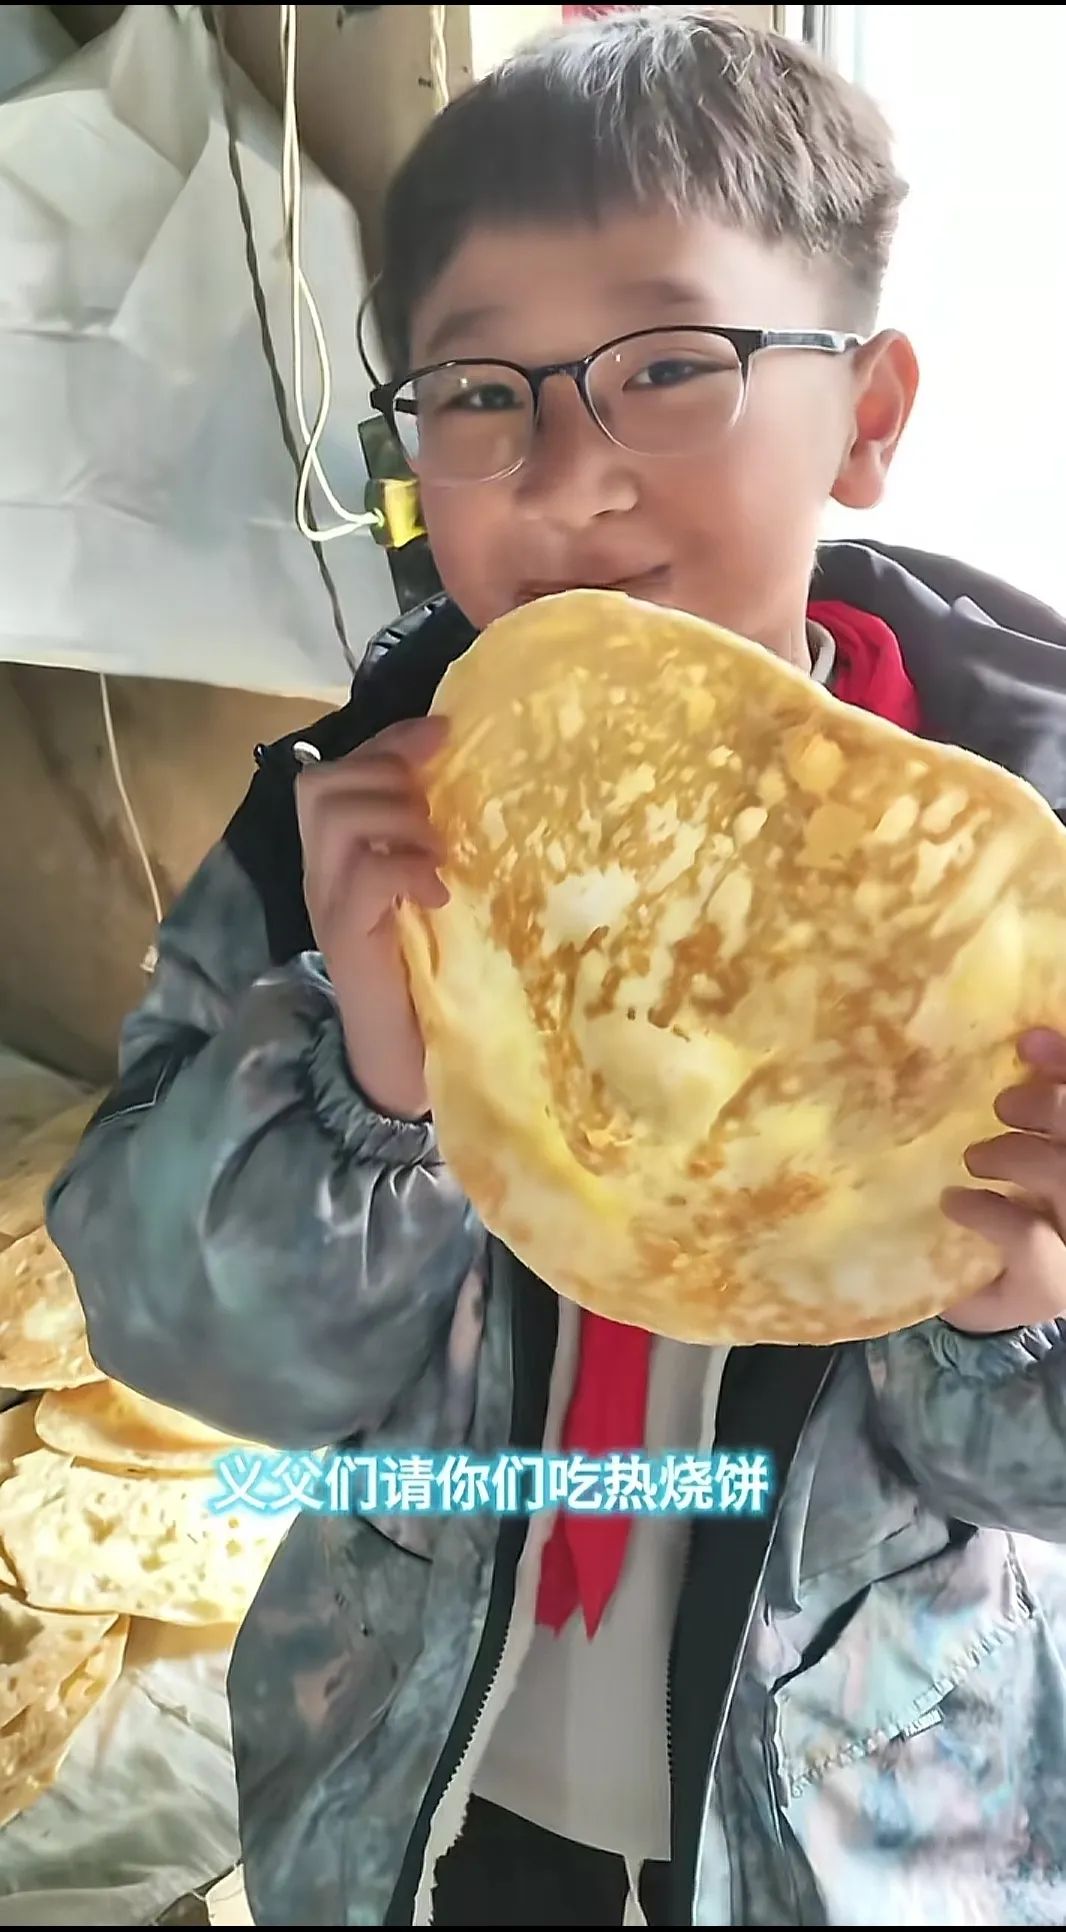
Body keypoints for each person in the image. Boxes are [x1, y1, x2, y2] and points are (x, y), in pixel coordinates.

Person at [47, 9, 1066, 1926]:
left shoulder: (1019, 902)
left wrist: (1010, 1317)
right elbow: (186, 1352)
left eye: (670, 366)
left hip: (856, 1820)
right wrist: (366, 1084)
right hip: (405, 1782)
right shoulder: (333, 836)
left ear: (867, 415)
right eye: (474, 392)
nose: (566, 473)